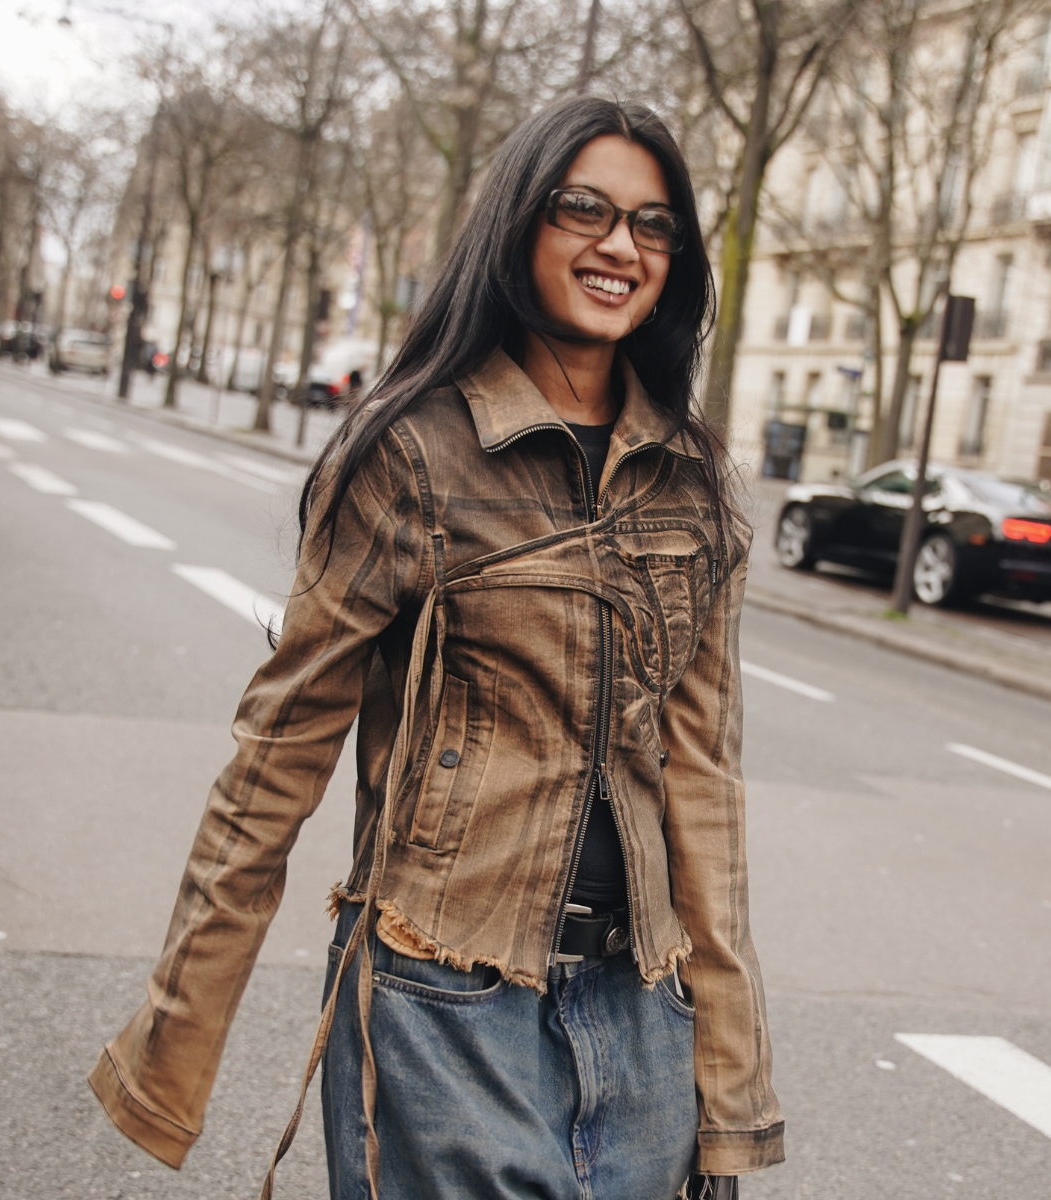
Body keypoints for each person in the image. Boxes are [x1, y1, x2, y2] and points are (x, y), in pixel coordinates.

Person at [89, 95, 783, 1200]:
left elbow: (703, 789)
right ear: (521, 225)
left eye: (654, 225)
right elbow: (277, 756)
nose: (620, 246)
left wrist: (729, 1088)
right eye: (585, 210)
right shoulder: (414, 454)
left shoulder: (692, 480)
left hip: (642, 1007)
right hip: (444, 997)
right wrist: (177, 1040)